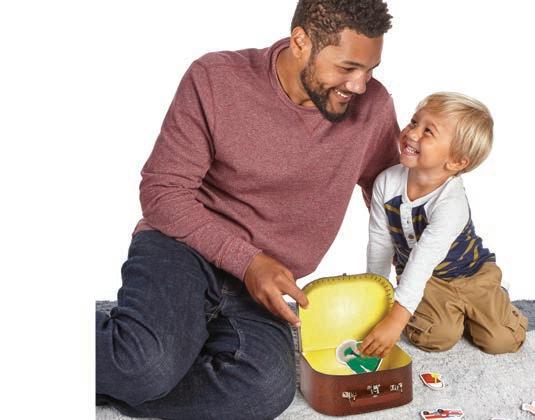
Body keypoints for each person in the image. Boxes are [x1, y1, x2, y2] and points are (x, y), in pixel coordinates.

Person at [96, 1, 399, 418]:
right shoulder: (216, 79)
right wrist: (249, 261)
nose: (360, 85)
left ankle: (131, 360)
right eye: (347, 67)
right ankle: (137, 361)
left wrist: (422, 275)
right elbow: (163, 191)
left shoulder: (372, 108)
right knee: (146, 366)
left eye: (370, 70)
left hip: (262, 290)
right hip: (182, 251)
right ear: (301, 42)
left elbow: (391, 193)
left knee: (265, 390)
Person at [360, 92, 528, 359]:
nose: (412, 133)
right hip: (430, 283)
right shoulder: (386, 182)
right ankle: (454, 312)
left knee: (501, 340)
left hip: (472, 274)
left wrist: (396, 320)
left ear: (456, 162)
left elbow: (424, 259)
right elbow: (380, 244)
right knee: (434, 337)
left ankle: (494, 300)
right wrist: (375, 297)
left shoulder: (451, 203)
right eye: (414, 122)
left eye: (428, 131)